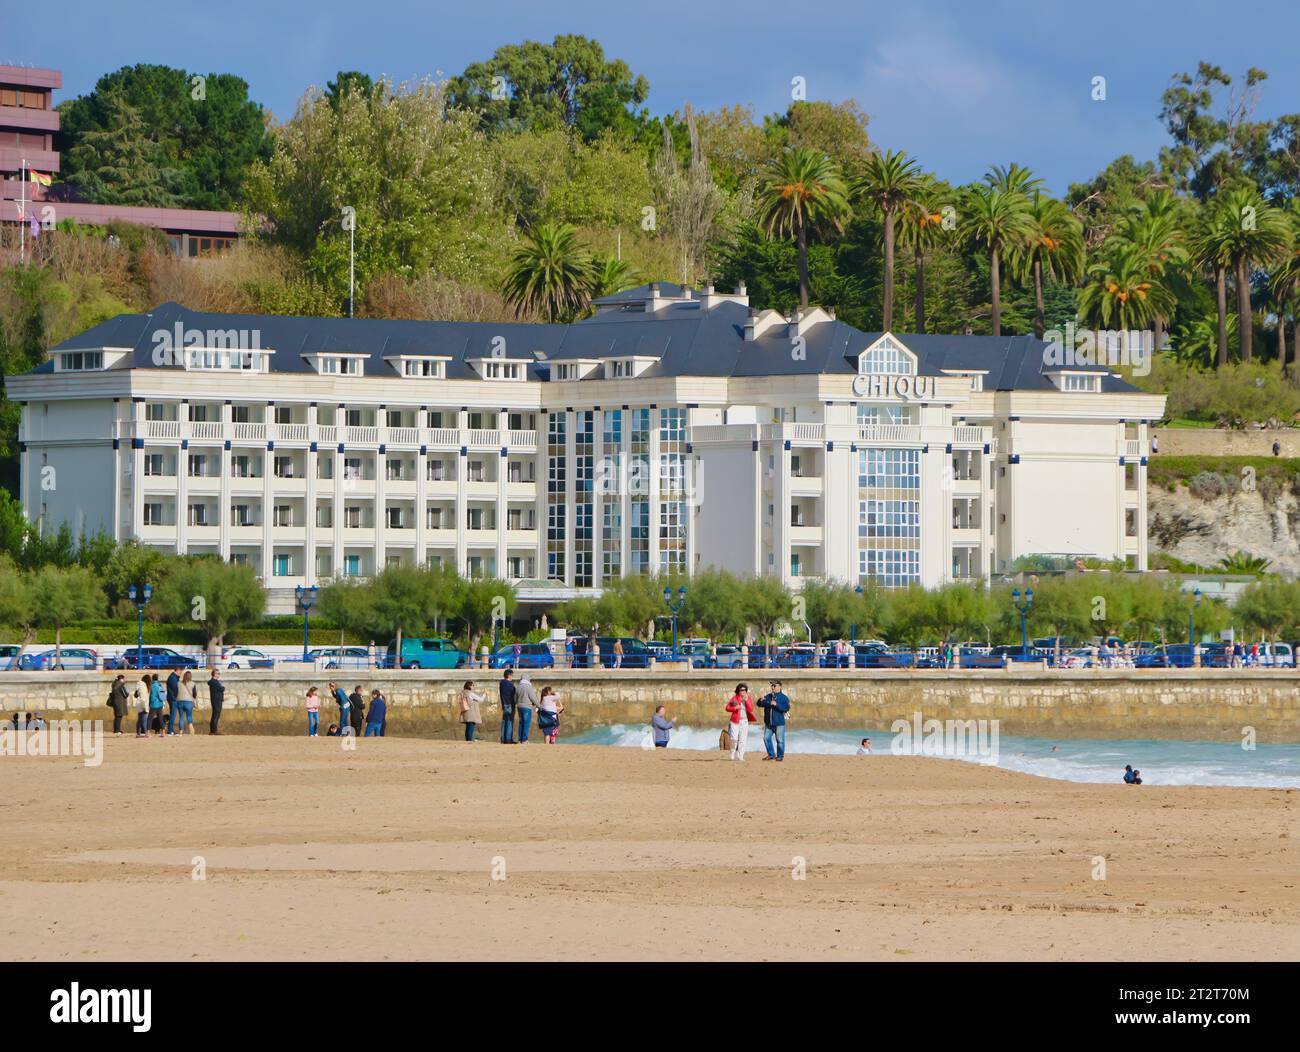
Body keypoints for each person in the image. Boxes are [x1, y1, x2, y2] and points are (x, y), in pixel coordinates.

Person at [757, 680, 791, 761]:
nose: (772, 687)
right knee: (766, 738)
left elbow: (786, 708)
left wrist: (776, 704)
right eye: (772, 685)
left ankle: (780, 756)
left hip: (779, 723)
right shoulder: (768, 696)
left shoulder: (784, 698)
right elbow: (759, 704)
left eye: (774, 685)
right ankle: (771, 755)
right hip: (769, 723)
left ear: (779, 687)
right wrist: (760, 700)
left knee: (780, 741)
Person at [725, 682, 756, 761]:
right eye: (741, 690)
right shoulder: (734, 698)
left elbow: (751, 709)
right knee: (734, 738)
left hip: (744, 721)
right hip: (735, 721)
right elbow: (727, 708)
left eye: (745, 690)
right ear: (738, 691)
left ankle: (740, 756)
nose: (743, 691)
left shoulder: (748, 698)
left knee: (743, 739)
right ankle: (732, 752)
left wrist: (746, 702)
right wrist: (735, 708)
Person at [515, 673, 538, 743]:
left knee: (521, 723)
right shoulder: (528, 687)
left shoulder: (518, 687)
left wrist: (516, 703)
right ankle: (524, 740)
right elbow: (533, 697)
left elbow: (515, 698)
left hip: (519, 707)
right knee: (526, 723)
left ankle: (520, 739)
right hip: (527, 707)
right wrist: (539, 705)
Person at [175, 670, 197, 735]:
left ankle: (181, 731)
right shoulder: (193, 683)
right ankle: (191, 729)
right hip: (189, 702)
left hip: (180, 701)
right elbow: (195, 694)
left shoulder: (178, 683)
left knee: (181, 717)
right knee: (189, 716)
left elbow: (176, 692)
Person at [498, 668, 517, 744]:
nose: (512, 677)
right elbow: (513, 694)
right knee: (509, 722)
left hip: (504, 704)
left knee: (504, 721)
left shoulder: (502, 683)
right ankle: (508, 739)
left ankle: (503, 739)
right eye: (512, 675)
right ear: (509, 675)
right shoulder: (510, 684)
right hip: (510, 704)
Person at [207, 669, 225, 735]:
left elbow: (221, 688)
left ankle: (214, 730)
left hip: (217, 700)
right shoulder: (213, 682)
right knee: (216, 715)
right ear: (214, 674)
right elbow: (221, 689)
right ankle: (213, 731)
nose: (219, 675)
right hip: (216, 700)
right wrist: (222, 688)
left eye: (219, 673)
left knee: (216, 715)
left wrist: (222, 688)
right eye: (217, 673)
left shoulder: (215, 682)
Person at [165, 667, 181, 735]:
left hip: (172, 697)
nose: (180, 673)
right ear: (177, 670)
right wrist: (178, 696)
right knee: (173, 714)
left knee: (172, 714)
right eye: (180, 672)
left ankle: (170, 729)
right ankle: (170, 730)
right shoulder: (173, 678)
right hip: (173, 698)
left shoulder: (173, 677)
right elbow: (175, 689)